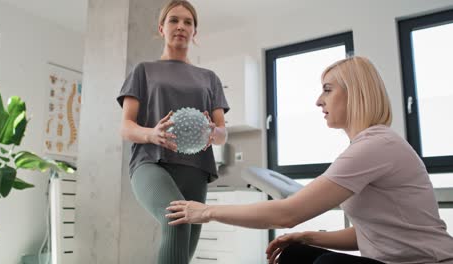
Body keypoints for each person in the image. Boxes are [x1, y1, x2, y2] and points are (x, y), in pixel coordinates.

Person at [166, 56, 453, 264]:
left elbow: (287, 214)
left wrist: (204, 212)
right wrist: (308, 236)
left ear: (356, 94)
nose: (318, 101)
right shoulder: (371, 145)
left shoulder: (376, 146)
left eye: (328, 89)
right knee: (296, 253)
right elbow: (373, 233)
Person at [117, 0, 229, 263]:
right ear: (161, 28)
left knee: (183, 251)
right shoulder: (143, 71)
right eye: (174, 20)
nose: (181, 26)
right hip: (151, 162)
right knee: (178, 220)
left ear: (195, 32)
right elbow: (125, 126)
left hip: (196, 168)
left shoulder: (209, 78)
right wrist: (151, 135)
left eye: (188, 22)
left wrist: (213, 132)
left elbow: (223, 132)